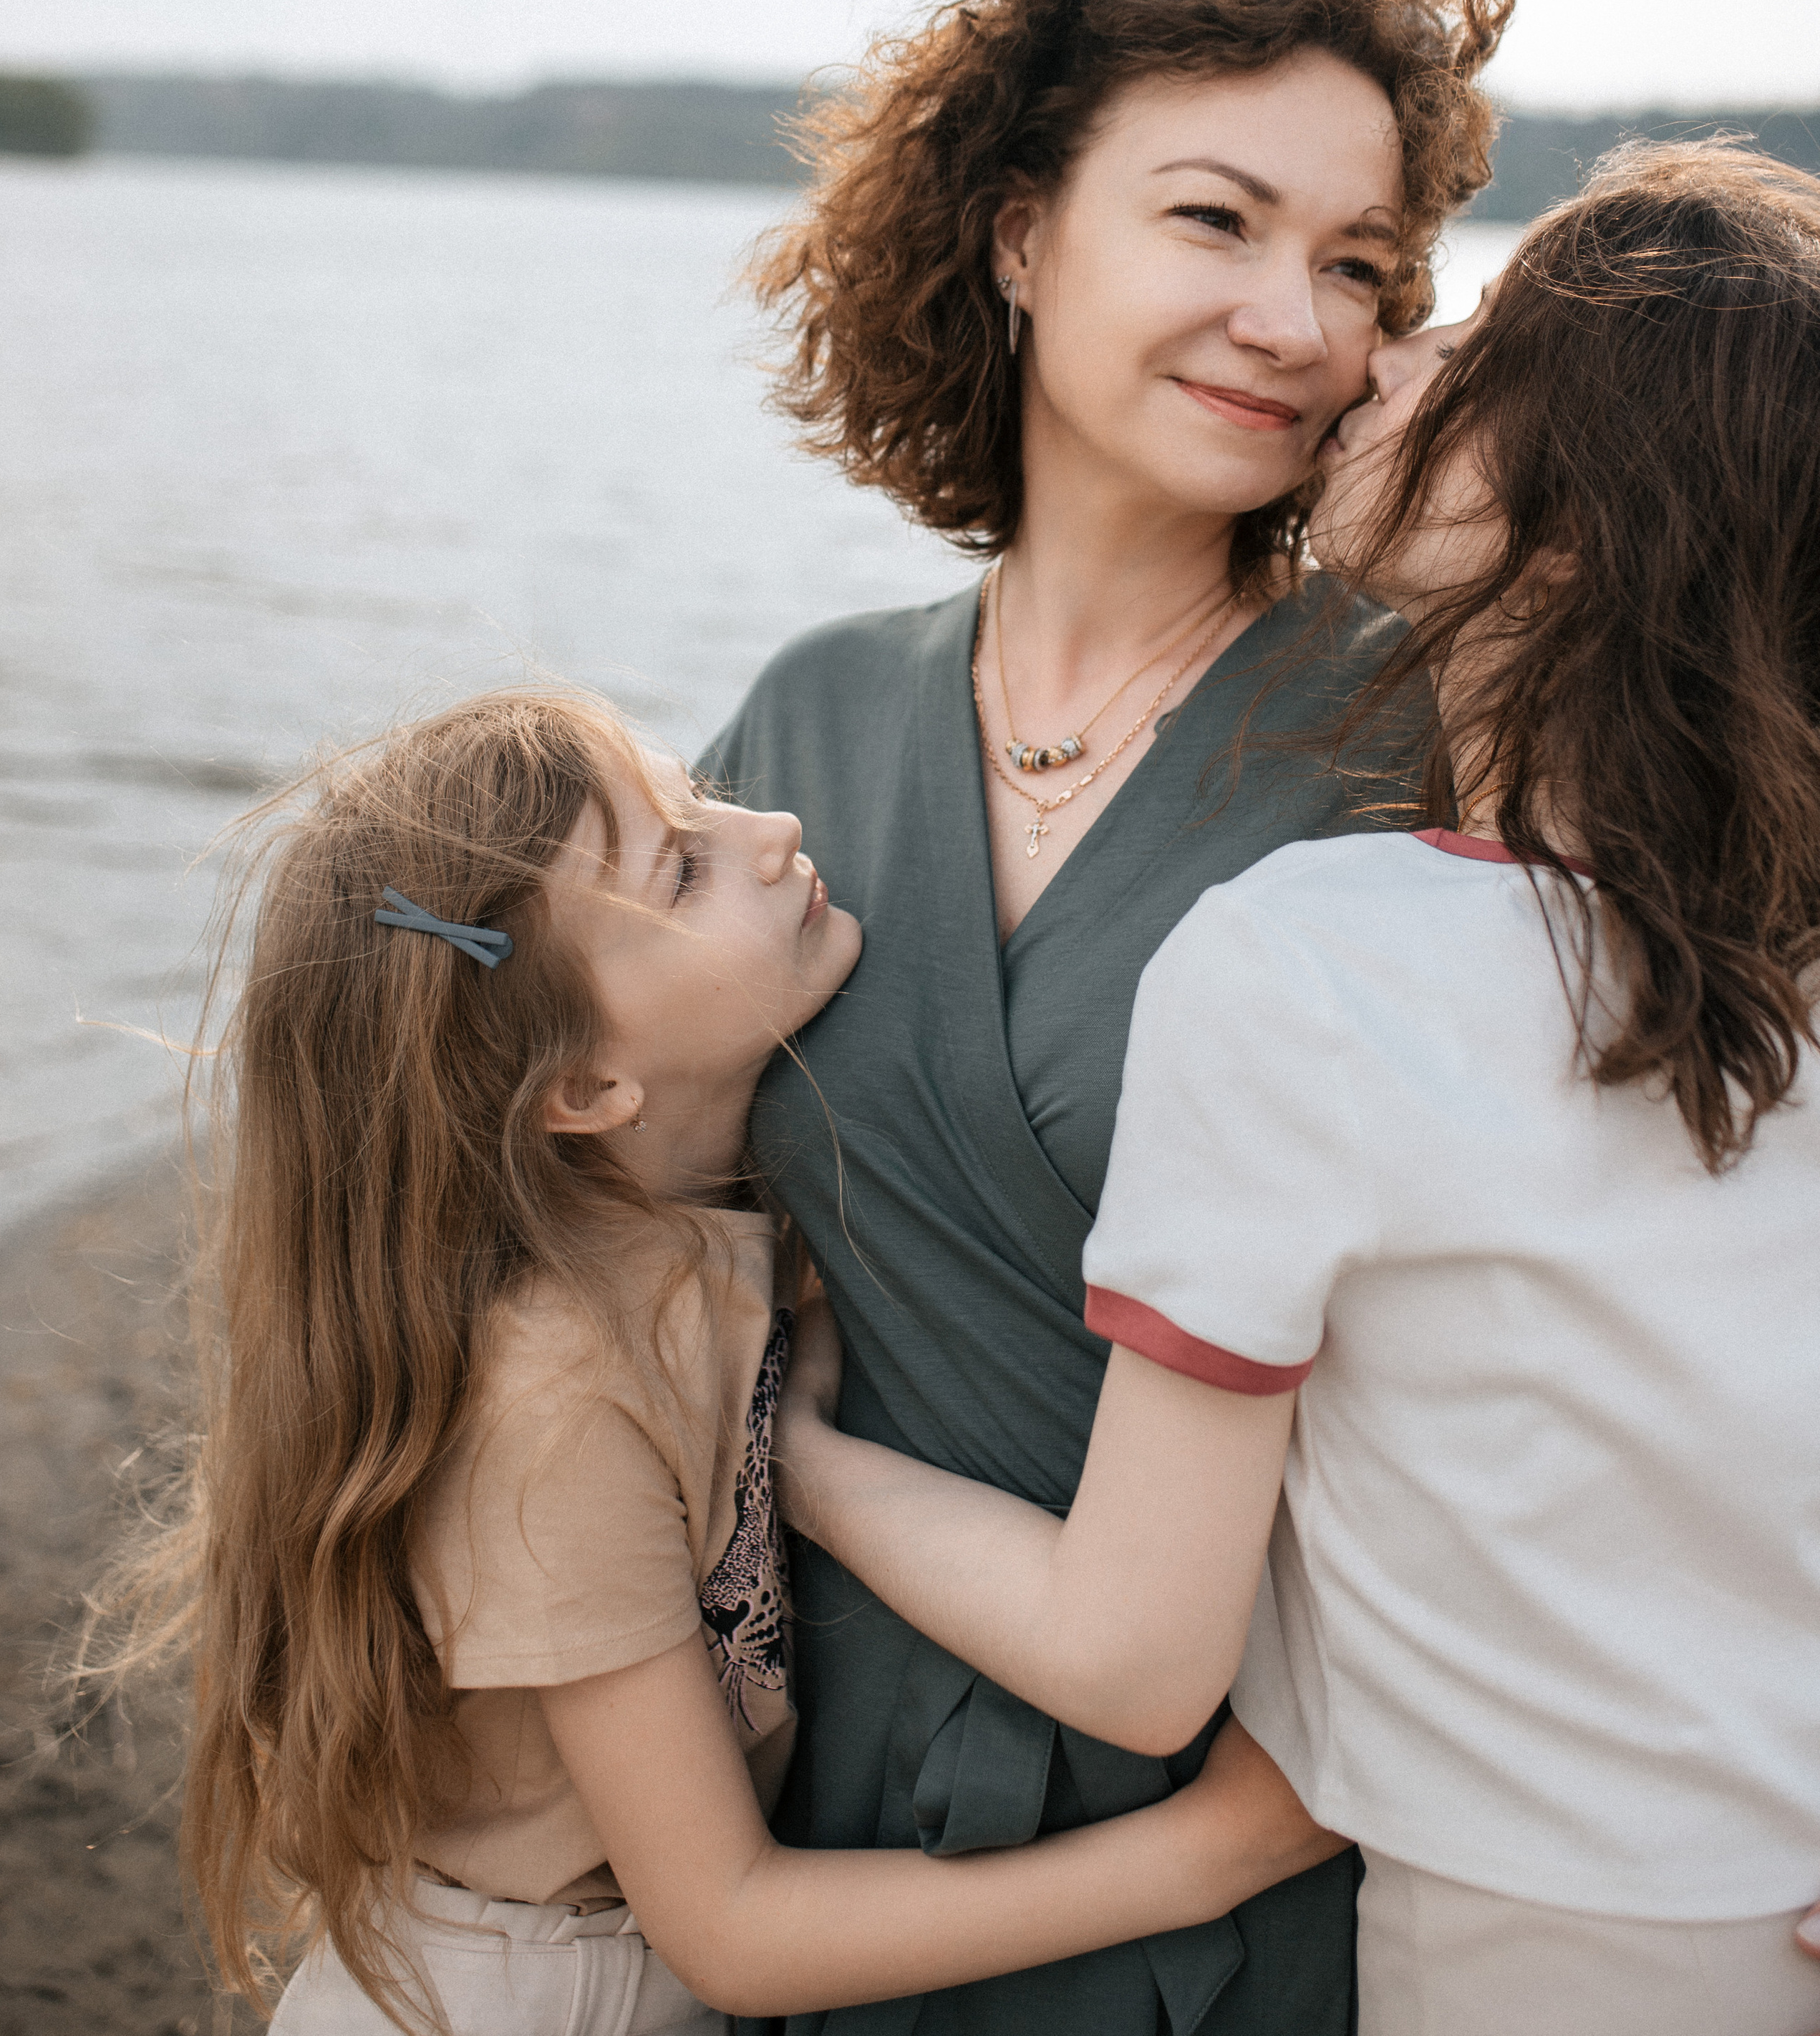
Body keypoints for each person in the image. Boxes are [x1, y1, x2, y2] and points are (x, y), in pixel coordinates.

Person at [774, 141, 1820, 2036]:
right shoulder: (1778, 961)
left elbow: (1131, 1657)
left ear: (1577, 524)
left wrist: (797, 1457)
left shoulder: (1319, 961)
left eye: (1473, 346)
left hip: (1542, 1948)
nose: (1385, 351)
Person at [704, 0, 1512, 2033]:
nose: (1297, 321)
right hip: (828, 1793)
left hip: (1290, 1809)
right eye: (1217, 221)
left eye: (1363, 265)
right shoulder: (807, 720)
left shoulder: (1447, 738)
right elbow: (616, 1222)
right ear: (1022, 234)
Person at [97, 689, 1342, 2036]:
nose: (779, 828)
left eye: (699, 795)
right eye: (681, 868)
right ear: (581, 1091)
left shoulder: (714, 1242)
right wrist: (1222, 1850)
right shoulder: (560, 1396)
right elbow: (731, 1927)